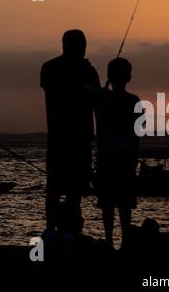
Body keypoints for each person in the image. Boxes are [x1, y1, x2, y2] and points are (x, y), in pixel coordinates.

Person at [40, 30, 100, 234]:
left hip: (59, 137)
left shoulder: (49, 68)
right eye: (82, 45)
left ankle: (52, 230)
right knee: (72, 189)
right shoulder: (87, 71)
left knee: (55, 188)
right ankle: (69, 232)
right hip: (77, 139)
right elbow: (96, 101)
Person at [86, 57, 140, 251]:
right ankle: (125, 242)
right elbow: (138, 130)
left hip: (106, 158)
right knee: (125, 205)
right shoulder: (134, 100)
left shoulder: (100, 97)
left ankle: (109, 241)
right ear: (128, 77)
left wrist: (104, 88)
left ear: (110, 76)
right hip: (125, 159)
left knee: (107, 203)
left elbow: (85, 90)